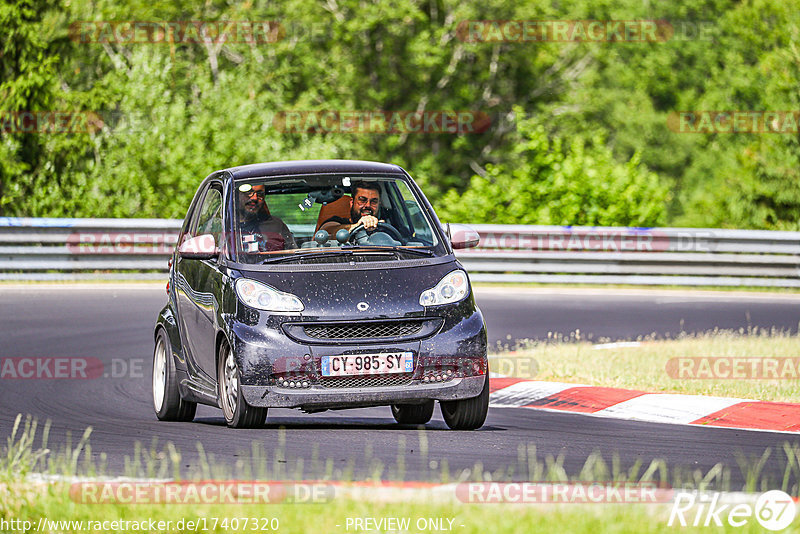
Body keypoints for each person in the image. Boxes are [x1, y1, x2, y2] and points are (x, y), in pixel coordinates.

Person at [237, 183, 297, 252]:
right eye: (249, 193)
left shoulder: (276, 225)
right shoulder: (227, 226)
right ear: (236, 195)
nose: (255, 198)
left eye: (260, 194)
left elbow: (293, 255)